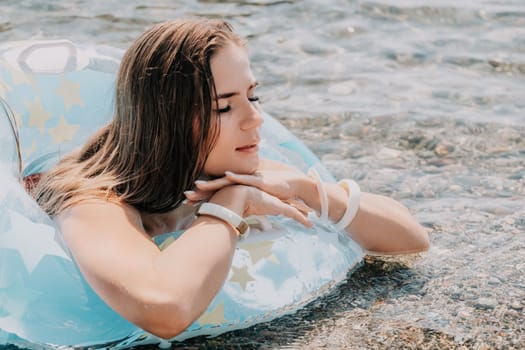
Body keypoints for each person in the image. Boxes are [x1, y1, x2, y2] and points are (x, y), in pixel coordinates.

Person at [32, 17, 429, 339]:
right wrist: (229, 204)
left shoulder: (232, 169)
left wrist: (308, 189)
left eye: (252, 96)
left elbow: (411, 239)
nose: (255, 119)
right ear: (168, 120)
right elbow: (165, 310)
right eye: (224, 107)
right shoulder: (91, 202)